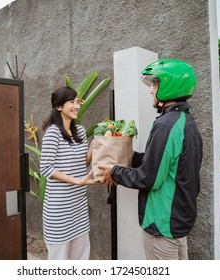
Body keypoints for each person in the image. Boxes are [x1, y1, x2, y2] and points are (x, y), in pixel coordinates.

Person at [99, 58, 203, 260]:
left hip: (162, 224)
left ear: (169, 86)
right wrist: (128, 156)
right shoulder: (186, 122)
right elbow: (167, 162)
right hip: (178, 219)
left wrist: (114, 171)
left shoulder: (166, 125)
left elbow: (149, 178)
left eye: (154, 84)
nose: (151, 90)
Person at [40, 86, 98, 260]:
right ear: (59, 107)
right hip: (58, 210)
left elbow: (83, 162)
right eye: (71, 102)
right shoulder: (53, 133)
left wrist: (95, 144)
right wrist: (77, 181)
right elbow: (46, 168)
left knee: (80, 258)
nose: (76, 106)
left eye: (77, 102)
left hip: (78, 207)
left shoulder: (79, 130)